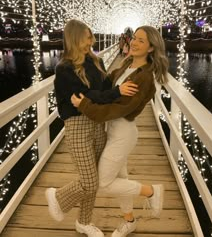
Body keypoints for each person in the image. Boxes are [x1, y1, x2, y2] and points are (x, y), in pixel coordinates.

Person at [71, 25, 169, 237]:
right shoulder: (126, 64)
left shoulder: (144, 78)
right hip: (112, 130)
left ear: (151, 48)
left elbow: (119, 108)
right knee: (121, 179)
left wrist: (85, 106)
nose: (134, 42)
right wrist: (87, 59)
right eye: (134, 38)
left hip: (123, 132)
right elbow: (106, 87)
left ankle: (151, 191)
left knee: (104, 183)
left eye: (141, 41)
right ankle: (129, 221)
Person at [45, 19, 138, 237]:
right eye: (88, 37)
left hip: (97, 122)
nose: (92, 41)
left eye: (92, 36)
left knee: (94, 178)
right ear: (75, 38)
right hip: (77, 125)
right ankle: (57, 196)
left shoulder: (95, 61)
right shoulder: (64, 69)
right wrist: (117, 92)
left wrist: (124, 72)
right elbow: (87, 96)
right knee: (90, 181)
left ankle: (84, 222)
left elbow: (104, 88)